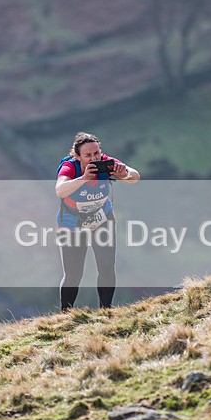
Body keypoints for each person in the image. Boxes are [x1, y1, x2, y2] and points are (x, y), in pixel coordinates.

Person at [55, 131, 140, 311]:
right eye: (88, 155)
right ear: (77, 156)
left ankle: (105, 310)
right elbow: (60, 190)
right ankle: (65, 314)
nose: (94, 158)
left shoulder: (106, 163)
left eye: (96, 153)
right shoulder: (70, 167)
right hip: (72, 225)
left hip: (102, 219)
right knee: (73, 275)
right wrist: (83, 178)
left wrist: (123, 173)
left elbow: (135, 177)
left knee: (107, 265)